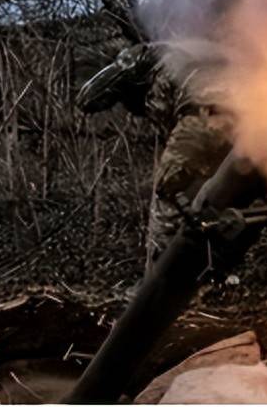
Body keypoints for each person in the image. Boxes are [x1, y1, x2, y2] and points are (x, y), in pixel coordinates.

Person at [76, 42, 233, 271]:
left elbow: (87, 97)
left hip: (203, 119)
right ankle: (214, 270)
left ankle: (155, 291)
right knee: (230, 197)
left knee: (168, 197)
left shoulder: (147, 54)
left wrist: (121, 65)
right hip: (249, 122)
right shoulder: (206, 51)